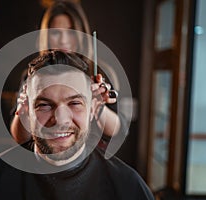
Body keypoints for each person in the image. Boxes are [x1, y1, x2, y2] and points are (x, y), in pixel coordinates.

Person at [0, 51, 155, 200]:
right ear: (27, 110)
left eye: (74, 103)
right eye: (44, 105)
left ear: (92, 109)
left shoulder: (127, 187)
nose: (60, 119)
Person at [10, 1, 125, 148]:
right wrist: (25, 110)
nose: (63, 40)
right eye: (56, 32)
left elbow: (117, 131)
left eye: (71, 32)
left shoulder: (100, 73)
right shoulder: (32, 77)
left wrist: (97, 106)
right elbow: (20, 138)